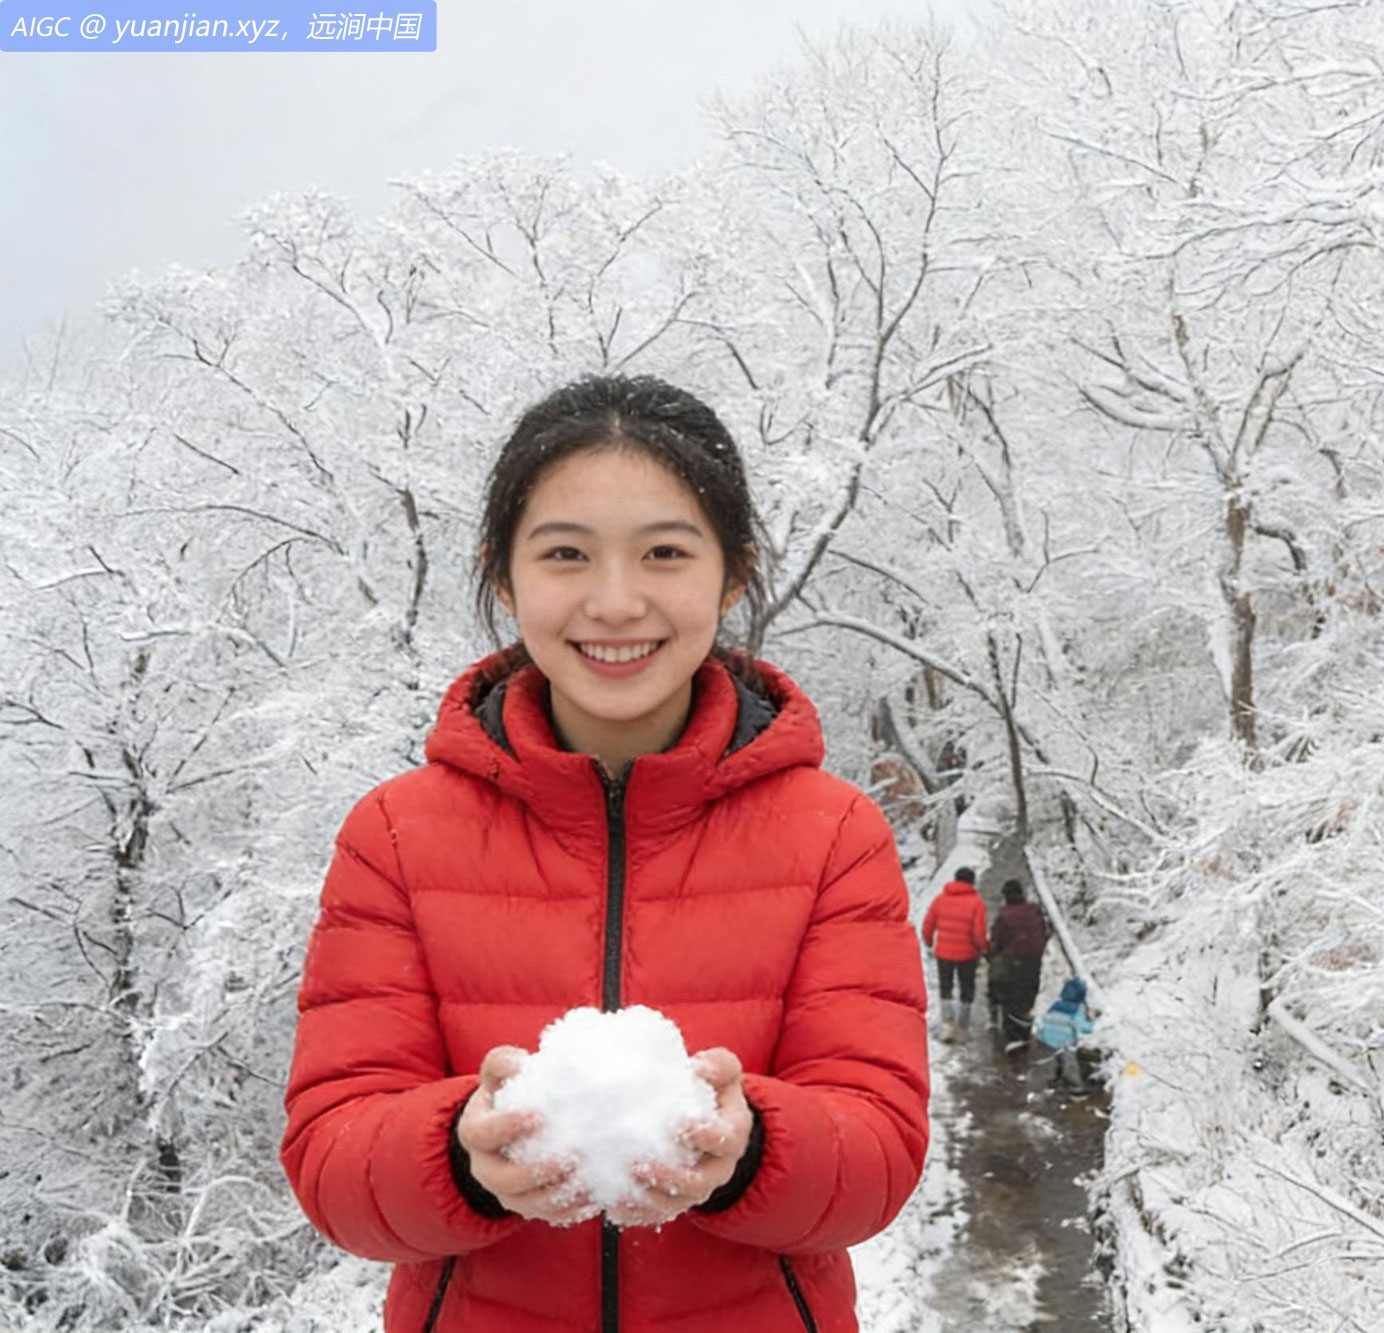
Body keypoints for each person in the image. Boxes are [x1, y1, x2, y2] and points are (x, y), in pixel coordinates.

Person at [280, 375, 930, 1333]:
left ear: (734, 573)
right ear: (504, 575)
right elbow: (332, 1163)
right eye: (566, 554)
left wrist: (751, 1148)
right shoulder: (396, 835)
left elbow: (880, 1152)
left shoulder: (833, 833)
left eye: (665, 552)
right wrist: (462, 1152)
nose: (616, 602)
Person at [920, 865, 988, 1041]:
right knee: (966, 987)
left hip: (943, 953)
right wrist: (983, 948)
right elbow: (979, 932)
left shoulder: (940, 899)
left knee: (946, 986)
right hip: (967, 955)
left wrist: (929, 941)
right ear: (972, 882)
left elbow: (928, 924)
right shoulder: (977, 902)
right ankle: (962, 1026)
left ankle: (947, 1024)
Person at [988, 880, 1051, 1049]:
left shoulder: (1004, 915)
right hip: (1034, 961)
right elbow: (1045, 933)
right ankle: (1026, 1029)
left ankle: (1014, 1038)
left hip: (1013, 962)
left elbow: (997, 941)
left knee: (1010, 999)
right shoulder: (1035, 910)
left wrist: (992, 955)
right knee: (1027, 996)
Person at [1035, 977, 1095, 1097]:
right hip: (1066, 1042)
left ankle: (1052, 1083)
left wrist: (1041, 1035)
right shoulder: (1078, 1009)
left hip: (1048, 1040)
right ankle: (1075, 1087)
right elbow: (1085, 1028)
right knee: (1070, 1064)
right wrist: (1091, 1020)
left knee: (1053, 1062)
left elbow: (1044, 1020)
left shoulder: (1056, 1005)